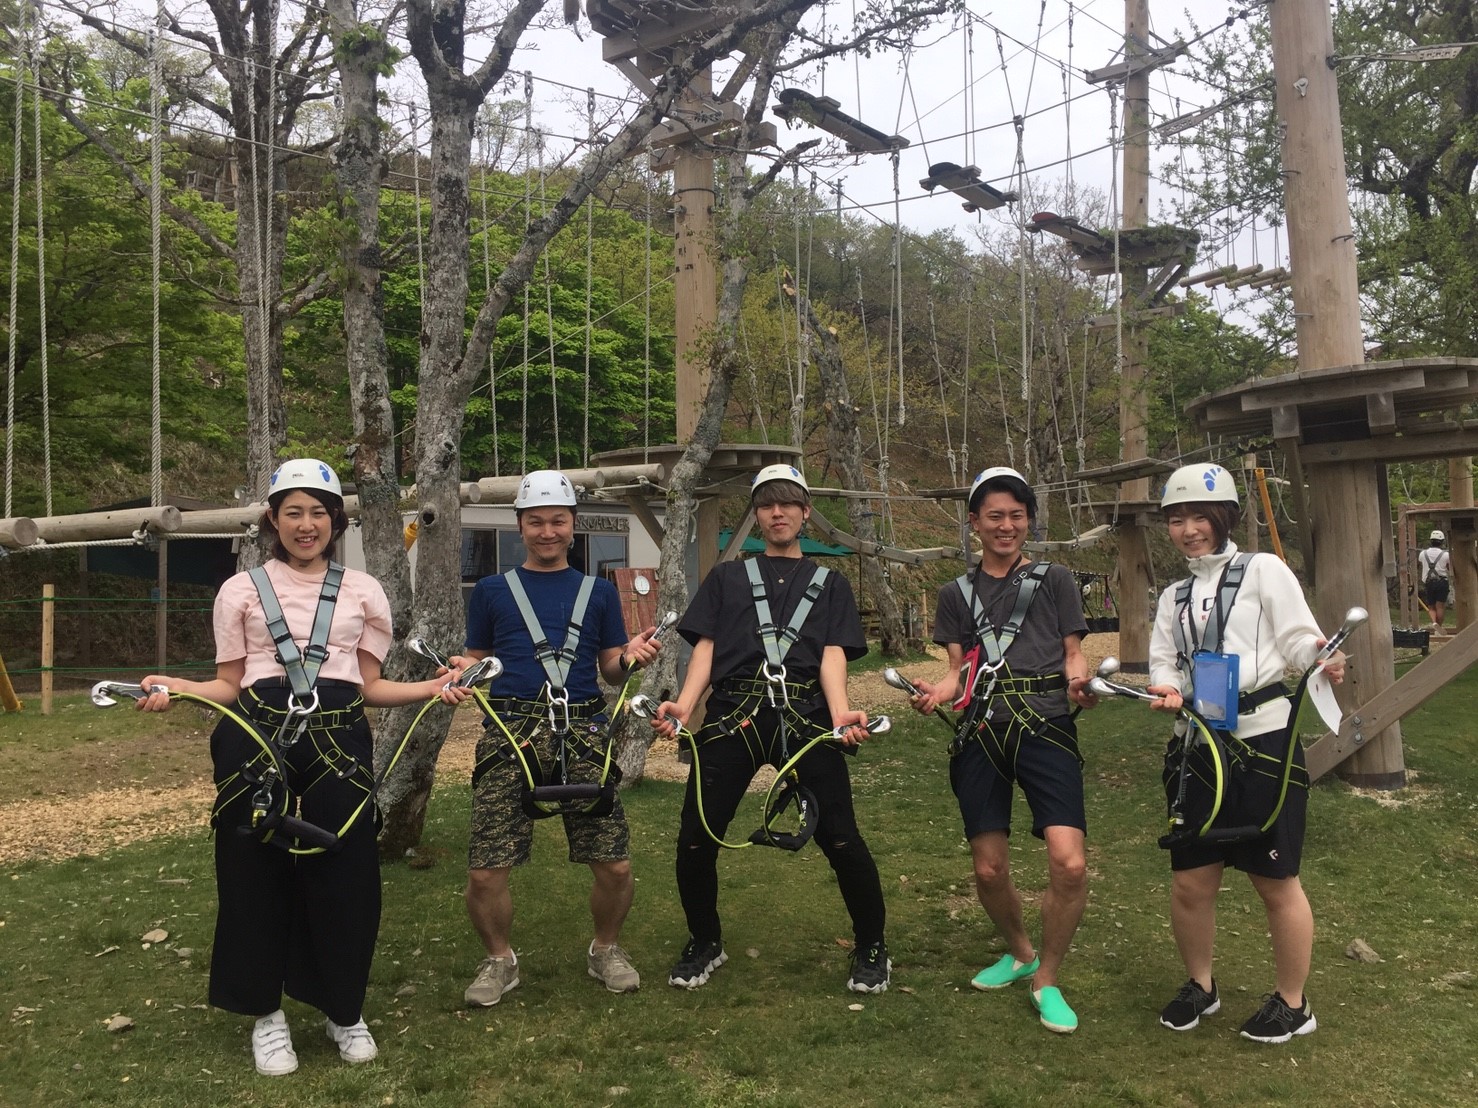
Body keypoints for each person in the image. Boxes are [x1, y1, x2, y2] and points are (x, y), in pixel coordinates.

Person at [137, 458, 470, 1076]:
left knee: (346, 875)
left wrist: (433, 689)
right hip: (256, 738)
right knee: (251, 870)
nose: (306, 523)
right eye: (293, 511)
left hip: (339, 740)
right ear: (273, 519)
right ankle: (266, 1015)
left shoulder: (364, 592)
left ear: (335, 520)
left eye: (318, 512)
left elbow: (368, 686)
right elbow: (229, 684)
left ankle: (343, 1009)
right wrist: (176, 687)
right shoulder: (240, 590)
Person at [648, 464, 891, 994]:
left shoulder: (830, 584)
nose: (777, 513)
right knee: (696, 836)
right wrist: (685, 705)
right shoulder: (728, 577)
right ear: (757, 515)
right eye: (766, 504)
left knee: (841, 837)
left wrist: (842, 710)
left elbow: (831, 656)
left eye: (787, 504)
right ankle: (705, 940)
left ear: (805, 513)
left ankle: (872, 946)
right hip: (735, 714)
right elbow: (706, 647)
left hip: (805, 716)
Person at [1145, 463, 1346, 1043]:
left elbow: (1297, 636)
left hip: (1264, 741)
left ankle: (1292, 1002)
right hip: (1198, 747)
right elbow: (1164, 657)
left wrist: (1319, 654)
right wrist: (1167, 686)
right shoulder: (1174, 595)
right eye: (1177, 518)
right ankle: (1201, 986)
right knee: (1191, 878)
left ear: (1225, 516)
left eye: (1200, 517)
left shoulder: (1263, 570)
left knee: (1274, 877)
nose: (1189, 529)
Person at [459, 469, 662, 1007]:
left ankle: (606, 949)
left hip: (584, 731)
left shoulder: (597, 592)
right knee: (486, 870)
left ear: (573, 526)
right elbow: (479, 659)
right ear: (520, 526)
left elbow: (611, 671)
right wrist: (463, 670)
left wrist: (629, 658)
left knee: (614, 863)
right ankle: (499, 959)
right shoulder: (491, 591)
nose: (547, 531)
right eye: (535, 522)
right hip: (511, 731)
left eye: (557, 521)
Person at [908, 466, 1098, 1034]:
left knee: (1070, 861)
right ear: (974, 523)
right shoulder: (955, 594)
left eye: (1017, 515)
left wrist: (1080, 685)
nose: (1007, 525)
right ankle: (1021, 954)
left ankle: (1049, 979)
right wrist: (940, 691)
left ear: (1029, 521)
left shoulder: (1056, 580)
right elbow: (959, 670)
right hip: (982, 732)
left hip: (1046, 725)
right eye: (995, 516)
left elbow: (1072, 653)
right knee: (989, 871)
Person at [1418, 529, 1451, 630]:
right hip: (1442, 582)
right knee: (1440, 606)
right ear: (1441, 542)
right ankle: (1439, 626)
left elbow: (1420, 563)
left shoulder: (1423, 554)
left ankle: (1434, 622)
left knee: (1431, 606)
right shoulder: (1445, 555)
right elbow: (1449, 567)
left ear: (1431, 541)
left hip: (1429, 582)